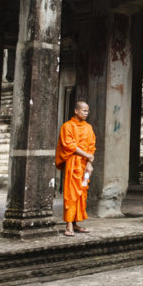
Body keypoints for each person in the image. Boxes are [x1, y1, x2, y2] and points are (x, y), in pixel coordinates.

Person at [55, 100, 96, 237]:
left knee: (81, 194)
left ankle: (76, 222)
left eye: (87, 111)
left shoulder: (88, 128)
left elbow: (91, 146)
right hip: (73, 164)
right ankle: (68, 224)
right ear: (76, 111)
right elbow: (69, 145)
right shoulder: (67, 126)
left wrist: (89, 163)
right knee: (71, 194)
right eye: (84, 110)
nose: (86, 113)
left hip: (84, 164)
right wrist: (87, 156)